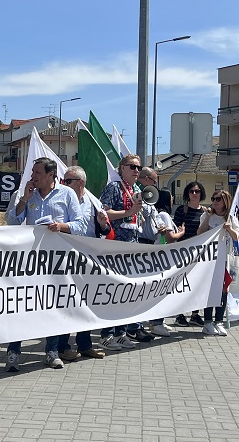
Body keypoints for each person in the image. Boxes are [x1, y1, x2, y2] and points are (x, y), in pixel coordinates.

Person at [5, 157, 88, 371]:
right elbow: (12, 223)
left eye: (38, 173)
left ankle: (51, 352)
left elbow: (81, 225)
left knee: (53, 307)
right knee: (21, 306)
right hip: (30, 261)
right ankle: (13, 352)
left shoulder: (67, 194)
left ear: (51, 176)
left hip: (57, 262)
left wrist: (60, 225)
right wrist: (24, 200)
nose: (34, 177)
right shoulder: (25, 193)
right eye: (33, 172)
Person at [99, 153, 153, 348]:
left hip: (132, 245)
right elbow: (104, 213)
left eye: (138, 168)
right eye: (132, 167)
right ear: (121, 168)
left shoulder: (136, 189)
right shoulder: (114, 187)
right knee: (113, 292)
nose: (136, 171)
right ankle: (106, 335)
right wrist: (129, 213)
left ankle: (121, 332)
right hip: (116, 246)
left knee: (126, 293)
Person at [59, 165, 110, 360]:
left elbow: (104, 231)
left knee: (87, 302)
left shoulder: (92, 202)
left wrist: (103, 223)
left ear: (80, 183)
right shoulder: (62, 199)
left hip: (88, 259)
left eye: (68, 181)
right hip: (66, 257)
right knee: (66, 302)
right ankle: (63, 346)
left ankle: (85, 344)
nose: (63, 184)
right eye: (63, 180)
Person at [136, 166, 183, 338]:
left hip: (150, 247)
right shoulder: (138, 195)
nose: (154, 185)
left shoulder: (153, 208)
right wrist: (182, 232)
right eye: (154, 181)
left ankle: (147, 323)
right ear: (147, 179)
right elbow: (171, 238)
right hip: (144, 248)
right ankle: (151, 323)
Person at [200, 190, 239, 337]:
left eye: (218, 199)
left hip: (225, 259)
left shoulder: (231, 218)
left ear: (225, 201)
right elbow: (200, 233)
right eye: (213, 198)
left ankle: (219, 321)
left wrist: (229, 228)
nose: (215, 201)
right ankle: (208, 322)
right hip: (210, 259)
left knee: (223, 290)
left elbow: (237, 237)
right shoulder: (207, 216)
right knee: (210, 290)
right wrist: (207, 218)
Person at [172, 181, 208, 327]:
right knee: (183, 284)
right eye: (192, 191)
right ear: (187, 193)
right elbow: (176, 229)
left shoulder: (205, 212)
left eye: (197, 191)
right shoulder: (182, 210)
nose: (195, 194)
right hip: (184, 252)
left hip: (200, 253)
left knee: (197, 284)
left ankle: (195, 314)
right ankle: (179, 314)